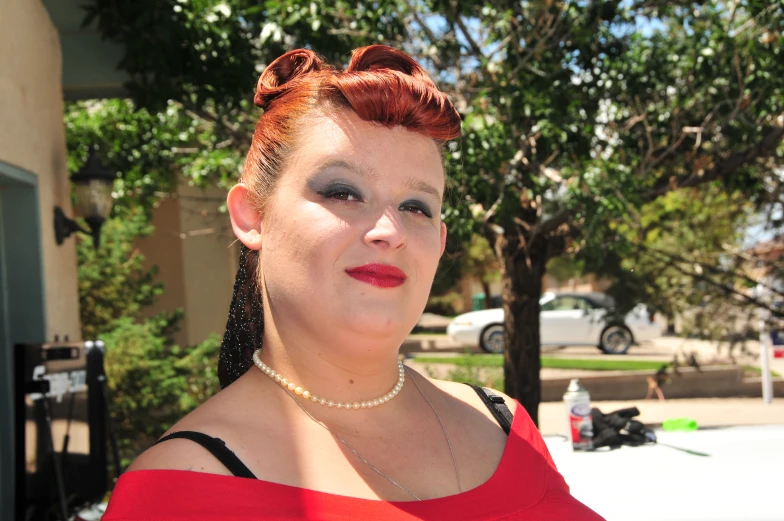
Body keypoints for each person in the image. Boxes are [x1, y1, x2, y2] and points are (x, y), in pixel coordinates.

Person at [102, 45, 604, 521]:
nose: (391, 231)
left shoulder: (504, 423)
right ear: (253, 216)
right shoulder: (176, 491)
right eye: (343, 192)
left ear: (441, 238)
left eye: (417, 206)